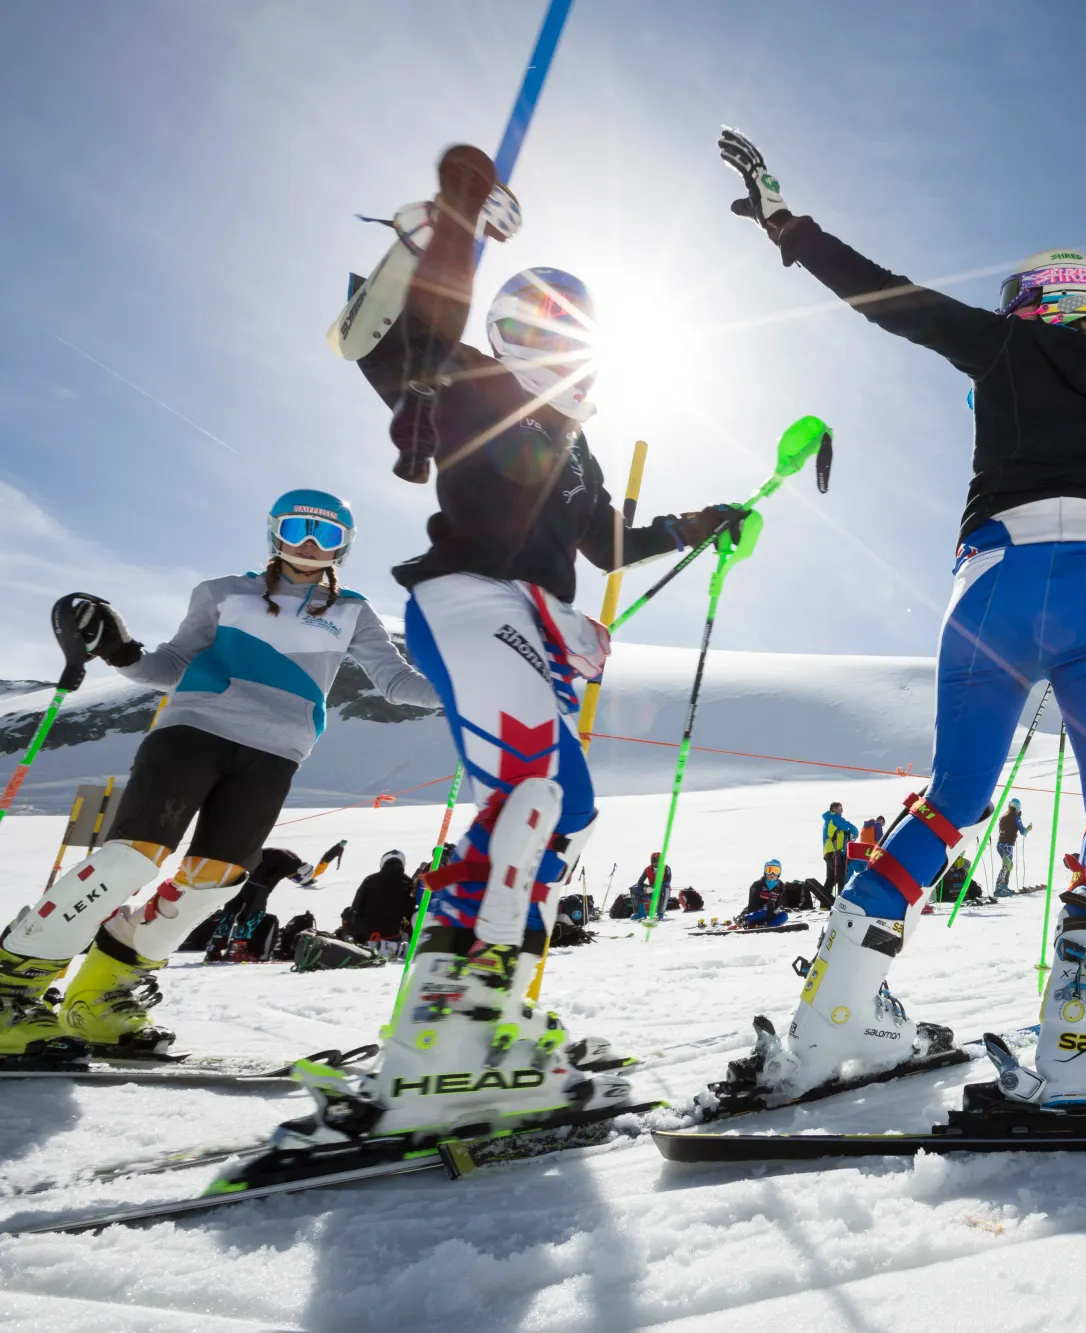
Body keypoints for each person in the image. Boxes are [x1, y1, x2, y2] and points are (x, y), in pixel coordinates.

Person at [707, 129, 1086, 1117]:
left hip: (985, 583)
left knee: (951, 799)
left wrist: (785, 222)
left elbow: (886, 296)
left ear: (1030, 303)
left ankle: (835, 1014)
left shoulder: (1003, 347)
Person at [286, 142, 749, 1143]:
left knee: (560, 806)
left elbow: (604, 541)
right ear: (508, 327)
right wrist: (454, 223)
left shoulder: (572, 444)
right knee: (528, 793)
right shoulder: (474, 382)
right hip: (469, 602)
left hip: (527, 623)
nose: (560, 343)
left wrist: (702, 519)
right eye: (542, 321)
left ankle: (475, 1001)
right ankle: (451, 1037)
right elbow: (395, 338)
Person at [0, 493, 438, 1065]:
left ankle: (100, 999)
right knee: (129, 859)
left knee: (216, 883)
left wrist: (468, 691)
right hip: (193, 731)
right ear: (273, 533)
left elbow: (396, 683)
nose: (309, 544)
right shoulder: (223, 592)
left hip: (276, 753)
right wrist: (122, 651)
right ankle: (11, 991)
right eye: (298, 529)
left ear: (344, 548)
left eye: (326, 536)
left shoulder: (354, 611)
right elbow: (170, 666)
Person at [205, 847, 312, 963]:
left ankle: (213, 949)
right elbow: (269, 883)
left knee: (229, 913)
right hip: (257, 886)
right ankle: (237, 951)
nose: (291, 879)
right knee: (254, 916)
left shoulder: (288, 856)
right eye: (296, 878)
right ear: (302, 871)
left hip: (239, 879)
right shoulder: (292, 864)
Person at [345, 850, 419, 946]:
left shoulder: (370, 880)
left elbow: (356, 906)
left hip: (365, 931)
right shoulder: (409, 882)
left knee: (347, 912)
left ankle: (350, 937)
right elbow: (409, 910)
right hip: (392, 931)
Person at [820, 802, 857, 905]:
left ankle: (825, 903)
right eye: (840, 808)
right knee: (841, 876)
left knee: (831, 879)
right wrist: (856, 833)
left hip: (829, 852)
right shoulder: (834, 818)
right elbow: (849, 826)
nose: (842, 810)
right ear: (834, 808)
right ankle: (841, 902)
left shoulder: (829, 819)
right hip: (834, 852)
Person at [739, 860, 791, 929]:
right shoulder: (757, 885)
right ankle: (744, 920)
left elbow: (782, 904)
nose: (772, 874)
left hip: (770, 914)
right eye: (769, 870)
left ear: (779, 872)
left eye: (775, 870)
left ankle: (764, 926)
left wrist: (779, 907)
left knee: (784, 916)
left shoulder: (781, 886)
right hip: (758, 913)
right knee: (765, 911)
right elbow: (752, 906)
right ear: (765, 872)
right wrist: (767, 900)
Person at [993, 798, 1029, 895]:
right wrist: (1028, 829)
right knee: (1007, 865)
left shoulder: (1003, 816)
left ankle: (1004, 886)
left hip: (1000, 844)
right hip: (1007, 844)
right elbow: (1023, 831)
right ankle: (999, 887)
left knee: (1009, 865)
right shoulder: (1016, 817)